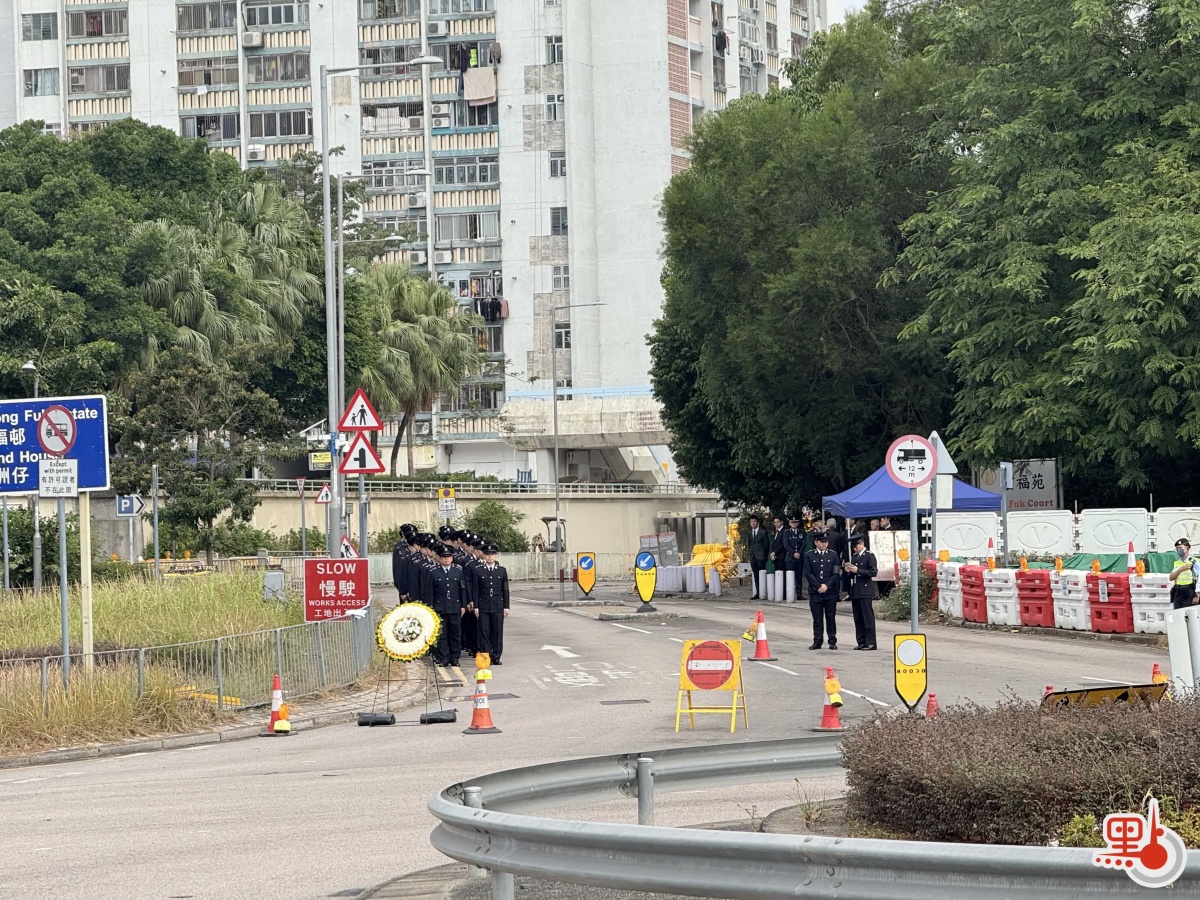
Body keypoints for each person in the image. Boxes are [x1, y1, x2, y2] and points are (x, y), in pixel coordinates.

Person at [426, 543, 467, 666]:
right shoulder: (434, 572)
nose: (446, 559)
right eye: (444, 557)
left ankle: (454, 658)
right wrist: (431, 608)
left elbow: (462, 589)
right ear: (439, 558)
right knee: (442, 634)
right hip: (440, 607)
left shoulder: (458, 571)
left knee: (455, 634)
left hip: (455, 607)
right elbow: (430, 592)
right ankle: (444, 657)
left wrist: (463, 605)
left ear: (452, 558)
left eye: (448, 557)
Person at [472, 543, 510, 664]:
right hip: (483, 605)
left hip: (497, 605)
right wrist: (476, 606)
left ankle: (496, 656)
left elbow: (505, 590)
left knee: (497, 631)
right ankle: (486, 656)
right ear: (484, 555)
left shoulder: (501, 571)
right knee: (484, 631)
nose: (490, 557)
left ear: (495, 556)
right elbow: (476, 590)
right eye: (488, 554)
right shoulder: (478, 570)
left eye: (492, 554)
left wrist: (506, 607)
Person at [804, 532, 841, 649]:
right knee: (817, 618)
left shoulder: (833, 555)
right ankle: (817, 640)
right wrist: (817, 586)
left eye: (826, 542)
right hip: (815, 592)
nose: (824, 544)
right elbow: (808, 573)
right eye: (822, 542)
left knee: (830, 617)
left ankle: (832, 640)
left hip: (830, 592)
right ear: (816, 542)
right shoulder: (809, 555)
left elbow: (836, 573)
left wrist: (827, 585)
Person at [845, 533, 878, 650]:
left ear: (861, 544)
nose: (855, 549)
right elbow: (852, 575)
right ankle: (861, 641)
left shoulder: (869, 555)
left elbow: (873, 572)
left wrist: (858, 570)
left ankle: (871, 642)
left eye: (856, 546)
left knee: (867, 617)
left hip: (865, 589)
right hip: (856, 590)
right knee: (858, 617)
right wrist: (848, 571)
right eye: (853, 547)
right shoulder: (855, 557)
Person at [1168, 538, 1200, 609]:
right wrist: (1180, 569)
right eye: (1177, 548)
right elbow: (1171, 578)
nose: (1178, 550)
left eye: (1180, 548)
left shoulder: (1194, 562)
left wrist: (1197, 595)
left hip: (1189, 592)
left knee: (1188, 614)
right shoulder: (1177, 562)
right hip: (1178, 593)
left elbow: (1199, 579)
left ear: (1187, 548)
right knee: (1177, 613)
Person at [746, 515, 771, 600]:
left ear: (757, 522)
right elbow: (749, 545)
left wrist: (765, 555)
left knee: (762, 575)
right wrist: (750, 555)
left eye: (754, 521)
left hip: (761, 557)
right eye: (751, 522)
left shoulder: (762, 532)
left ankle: (764, 592)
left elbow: (766, 545)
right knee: (756, 575)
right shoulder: (749, 532)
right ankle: (758, 592)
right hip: (753, 557)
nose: (753, 523)